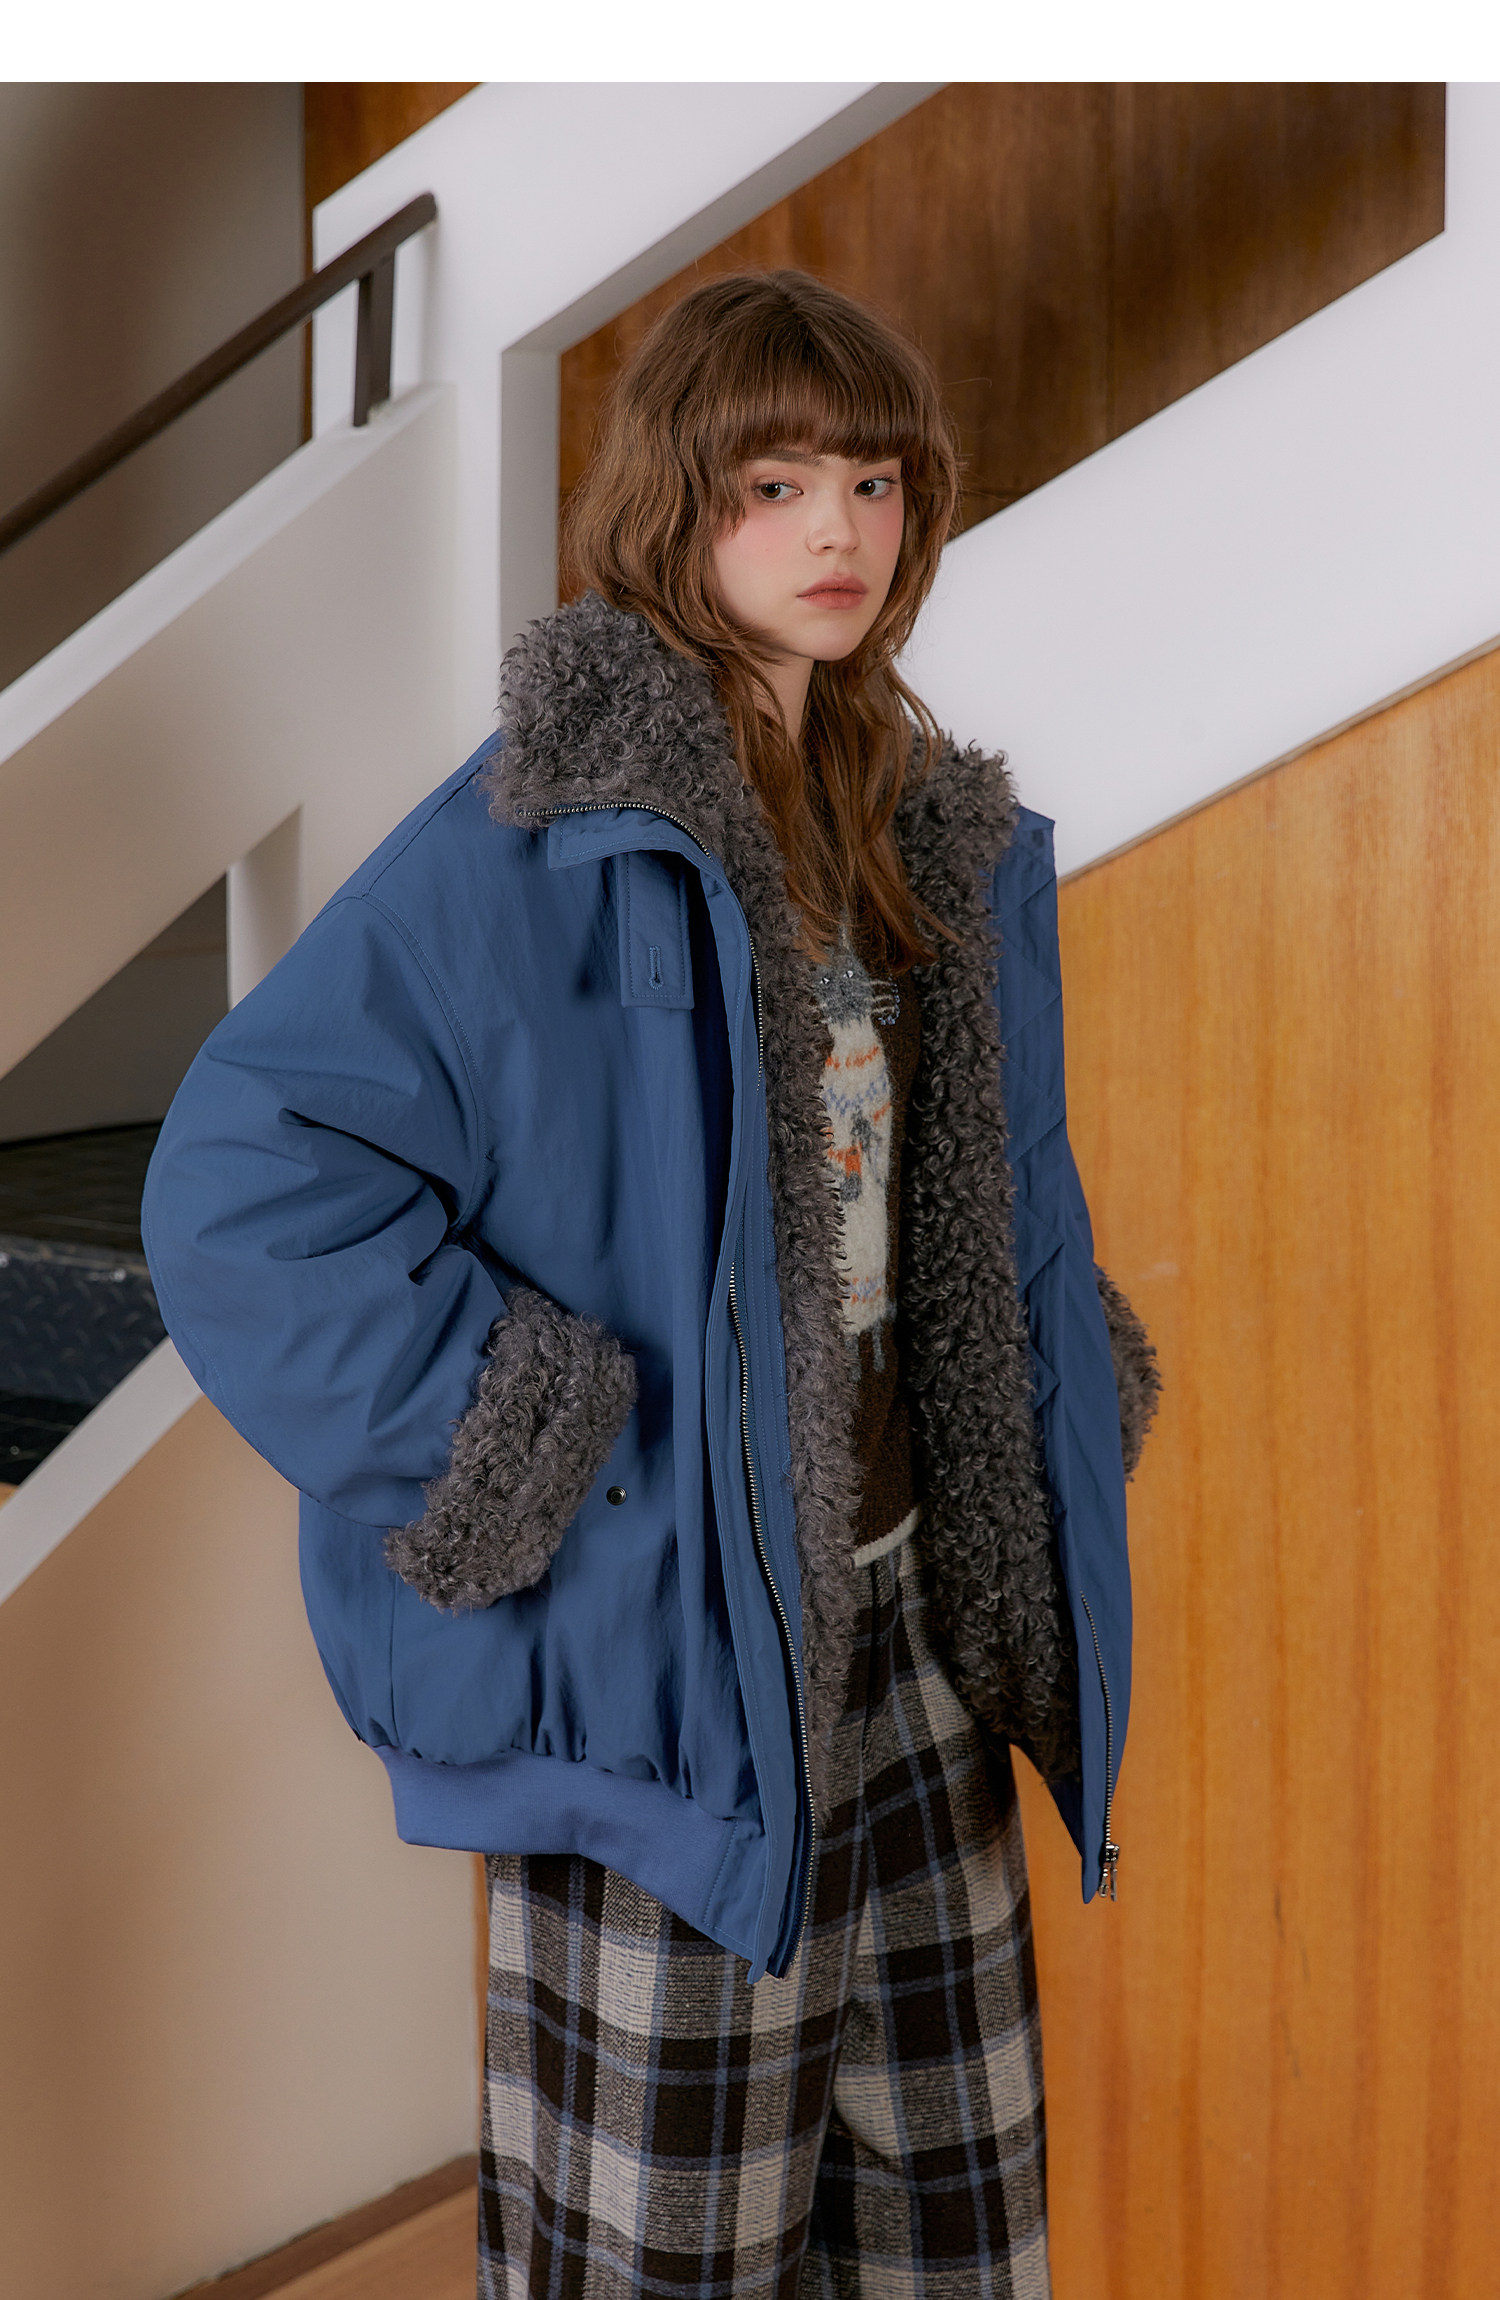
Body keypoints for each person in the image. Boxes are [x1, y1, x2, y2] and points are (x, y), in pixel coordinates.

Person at [143, 270, 1158, 2299]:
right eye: (776, 484)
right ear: (674, 507)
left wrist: (1061, 1386)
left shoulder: (920, 835)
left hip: (915, 1640)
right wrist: (549, 1448)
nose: (838, 529)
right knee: (664, 2258)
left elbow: (963, 1212)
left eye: (874, 482)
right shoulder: (524, 846)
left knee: (955, 2234)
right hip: (673, 1685)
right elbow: (241, 1189)